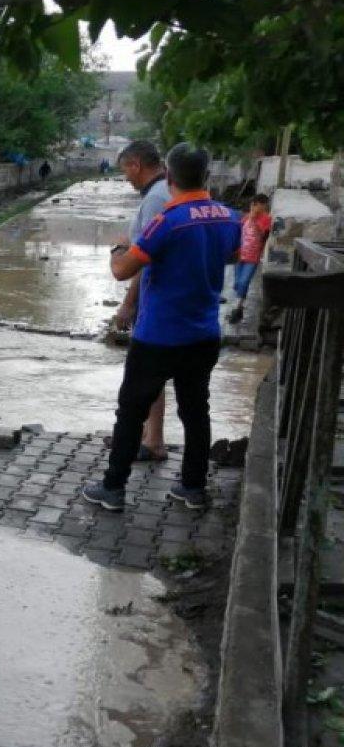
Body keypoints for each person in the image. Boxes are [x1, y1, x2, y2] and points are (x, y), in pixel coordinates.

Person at [83, 143, 241, 512]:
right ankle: (192, 488)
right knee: (196, 412)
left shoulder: (167, 221)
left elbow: (123, 271)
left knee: (130, 412)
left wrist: (118, 249)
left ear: (169, 177)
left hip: (157, 337)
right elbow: (238, 254)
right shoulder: (229, 217)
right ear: (206, 176)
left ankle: (113, 489)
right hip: (203, 334)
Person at [112, 140, 170, 462]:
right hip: (173, 301)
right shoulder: (166, 193)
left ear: (136, 164)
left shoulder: (155, 199)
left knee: (143, 379)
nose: (125, 178)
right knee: (160, 377)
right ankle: (153, 437)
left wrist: (128, 304)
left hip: (154, 300)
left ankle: (143, 443)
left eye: (125, 170)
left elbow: (142, 260)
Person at [228, 193, 272, 324]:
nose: (259, 208)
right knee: (237, 284)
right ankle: (239, 307)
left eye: (261, 205)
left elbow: (263, 234)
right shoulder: (245, 218)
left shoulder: (265, 219)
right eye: (256, 205)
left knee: (244, 282)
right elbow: (238, 233)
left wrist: (254, 219)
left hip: (253, 257)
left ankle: (238, 307)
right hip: (240, 255)